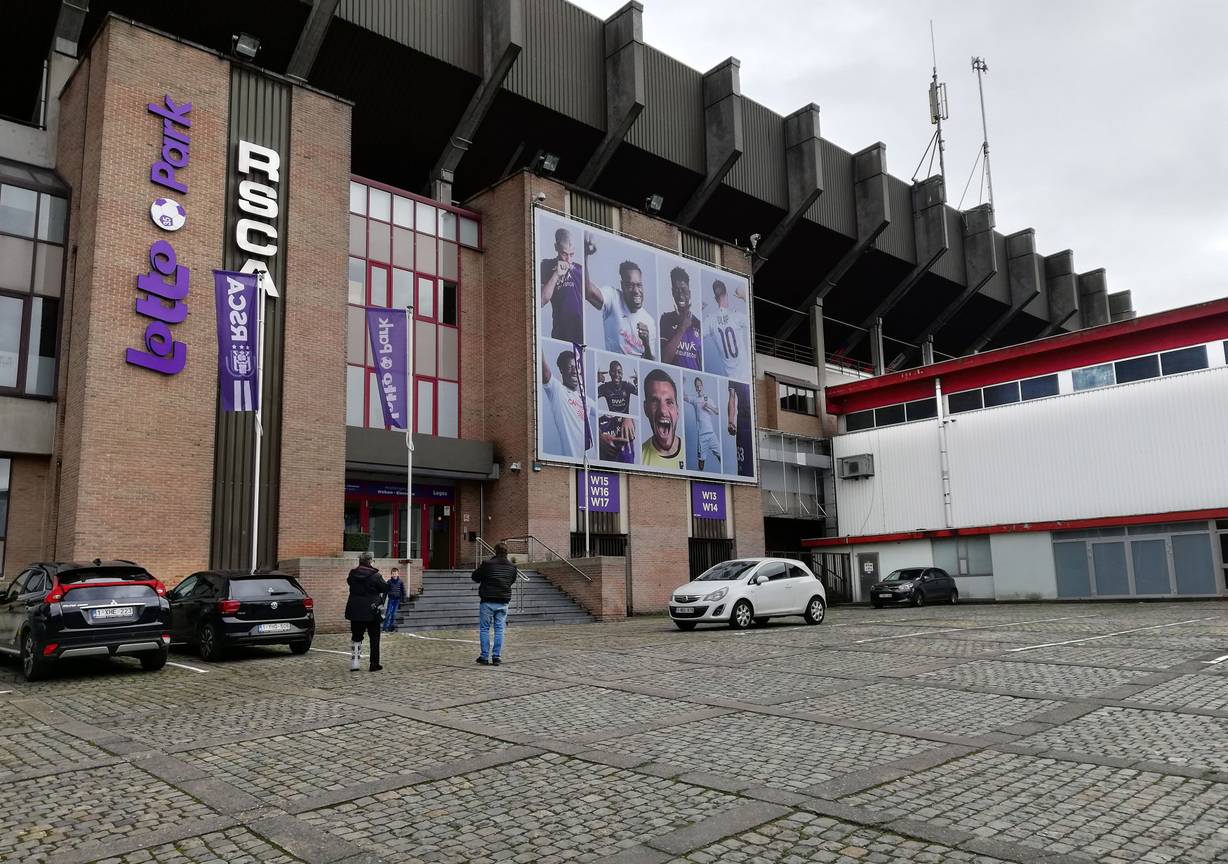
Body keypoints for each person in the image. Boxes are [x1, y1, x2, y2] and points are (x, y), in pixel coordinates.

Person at [583, 232, 656, 358]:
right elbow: (588, 292)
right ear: (622, 286)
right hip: (614, 363)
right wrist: (584, 255)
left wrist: (646, 343)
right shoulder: (613, 298)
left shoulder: (649, 320)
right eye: (630, 285)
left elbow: (650, 362)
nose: (636, 291)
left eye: (639, 285)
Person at [471, 542, 518, 666]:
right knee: (499, 629)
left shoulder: (487, 564)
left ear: (495, 551)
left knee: (485, 629)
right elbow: (511, 581)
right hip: (503, 601)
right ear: (506, 553)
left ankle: (484, 656)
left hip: (487, 600)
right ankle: (496, 657)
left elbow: (475, 577)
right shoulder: (512, 567)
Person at [539, 228, 584, 344]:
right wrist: (556, 275)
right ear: (556, 247)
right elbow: (541, 301)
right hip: (559, 333)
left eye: (572, 254)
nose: (568, 260)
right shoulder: (546, 266)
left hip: (580, 335)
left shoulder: (580, 270)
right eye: (564, 254)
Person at [345, 551, 388, 672]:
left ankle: (355, 663)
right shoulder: (376, 575)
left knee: (356, 636)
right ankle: (374, 664)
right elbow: (384, 588)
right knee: (374, 637)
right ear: (370, 561)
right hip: (372, 610)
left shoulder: (352, 574)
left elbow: (349, 582)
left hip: (355, 610)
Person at [542, 348, 587, 458]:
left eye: (576, 366)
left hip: (592, 463)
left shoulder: (584, 398)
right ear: (562, 369)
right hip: (571, 462)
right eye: (570, 367)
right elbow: (546, 374)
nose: (575, 370)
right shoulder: (558, 390)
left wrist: (627, 418)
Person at [703, 279, 751, 380]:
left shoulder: (710, 320)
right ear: (726, 294)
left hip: (728, 379)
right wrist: (744, 297)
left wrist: (698, 308)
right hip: (745, 377)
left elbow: (696, 335)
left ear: (715, 298)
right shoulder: (736, 316)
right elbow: (754, 321)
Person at [641, 368, 685, 469]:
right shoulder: (638, 458)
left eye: (669, 402)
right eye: (655, 401)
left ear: (677, 410)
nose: (663, 411)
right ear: (645, 408)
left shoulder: (691, 454)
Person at [660, 267, 702, 369]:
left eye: (683, 290)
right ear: (672, 292)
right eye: (676, 290)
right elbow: (664, 359)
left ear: (690, 293)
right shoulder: (666, 319)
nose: (680, 295)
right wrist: (682, 328)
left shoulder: (698, 324)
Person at [684, 377, 722, 471]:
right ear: (695, 388)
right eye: (697, 386)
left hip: (711, 434)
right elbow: (683, 396)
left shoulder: (708, 399)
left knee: (721, 456)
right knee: (701, 461)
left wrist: (708, 406)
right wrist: (683, 383)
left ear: (702, 386)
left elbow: (717, 411)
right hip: (702, 436)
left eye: (700, 385)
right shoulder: (694, 399)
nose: (698, 388)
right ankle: (700, 481)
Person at [727, 381, 754, 477]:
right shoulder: (732, 376)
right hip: (743, 422)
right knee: (743, 462)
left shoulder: (747, 372)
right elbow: (732, 397)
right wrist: (731, 421)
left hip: (754, 422)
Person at [382, 567, 405, 632]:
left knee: (394, 614)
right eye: (393, 574)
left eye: (395, 574)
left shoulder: (400, 582)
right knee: (388, 613)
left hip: (397, 600)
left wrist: (404, 599)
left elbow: (403, 591)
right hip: (391, 600)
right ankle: (384, 628)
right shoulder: (389, 582)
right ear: (391, 574)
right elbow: (385, 592)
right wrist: (383, 601)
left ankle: (391, 628)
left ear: (398, 574)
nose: (394, 575)